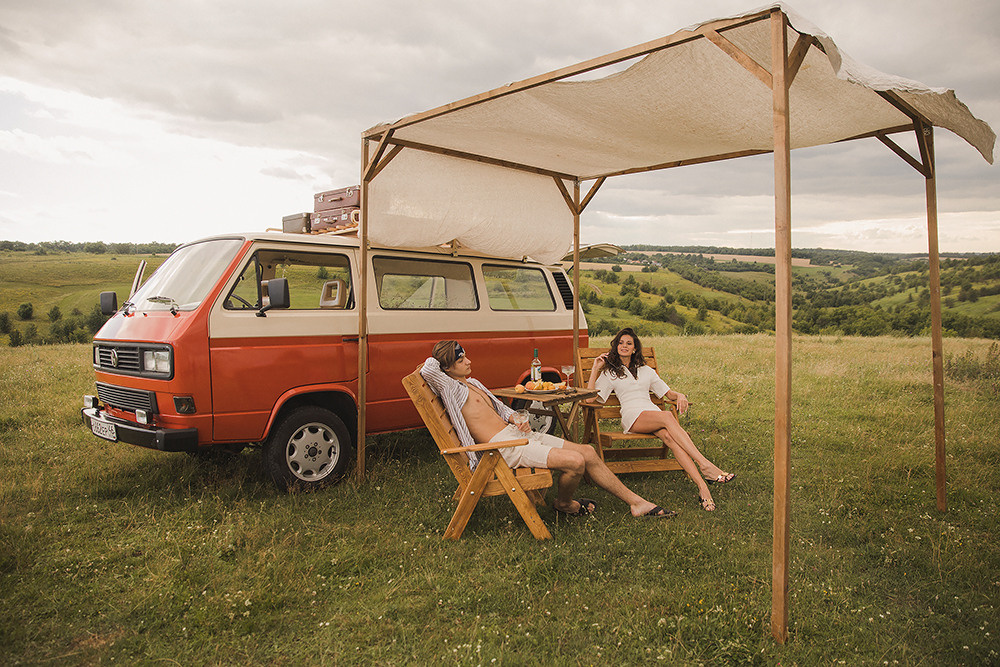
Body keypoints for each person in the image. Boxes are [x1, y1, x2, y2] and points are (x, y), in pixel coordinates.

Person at [421, 339, 676, 519]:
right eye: (460, 358)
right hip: (501, 449)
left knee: (587, 451)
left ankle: (636, 503)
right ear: (446, 367)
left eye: (465, 355)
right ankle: (564, 504)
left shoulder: (472, 382)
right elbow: (428, 368)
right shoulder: (450, 388)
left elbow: (501, 410)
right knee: (575, 462)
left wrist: (514, 418)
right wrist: (444, 354)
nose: (468, 360)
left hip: (518, 435)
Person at [587, 327, 735, 511]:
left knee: (670, 438)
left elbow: (669, 393)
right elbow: (589, 399)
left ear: (635, 349)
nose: (624, 346)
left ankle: (703, 488)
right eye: (620, 343)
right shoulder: (610, 372)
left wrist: (680, 395)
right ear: (615, 346)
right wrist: (595, 369)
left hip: (651, 413)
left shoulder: (646, 370)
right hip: (633, 417)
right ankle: (705, 465)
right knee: (666, 416)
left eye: (628, 343)